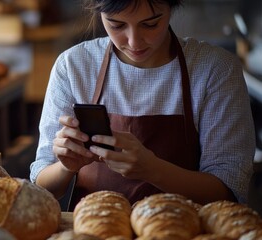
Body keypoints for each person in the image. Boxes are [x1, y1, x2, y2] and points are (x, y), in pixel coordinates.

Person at [29, 0, 256, 210]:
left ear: (170, 7)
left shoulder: (214, 70)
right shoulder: (74, 66)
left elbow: (228, 192)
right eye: (116, 25)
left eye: (151, 24)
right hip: (93, 230)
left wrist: (153, 170)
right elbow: (42, 187)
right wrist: (65, 167)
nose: (134, 41)